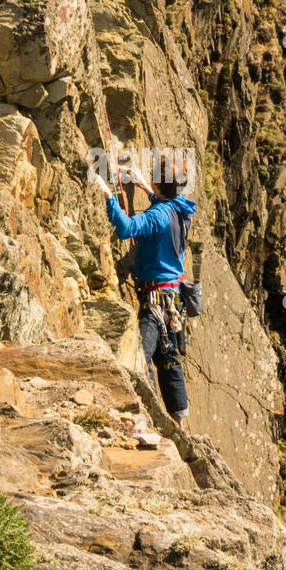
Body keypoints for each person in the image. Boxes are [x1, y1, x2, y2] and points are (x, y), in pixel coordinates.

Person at [89, 152, 197, 430]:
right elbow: (165, 209)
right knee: (168, 359)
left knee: (141, 356)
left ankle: (146, 417)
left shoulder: (159, 214)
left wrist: (108, 196)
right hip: (173, 299)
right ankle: (180, 423)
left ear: (158, 183)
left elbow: (126, 229)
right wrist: (149, 190)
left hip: (156, 301)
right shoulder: (183, 210)